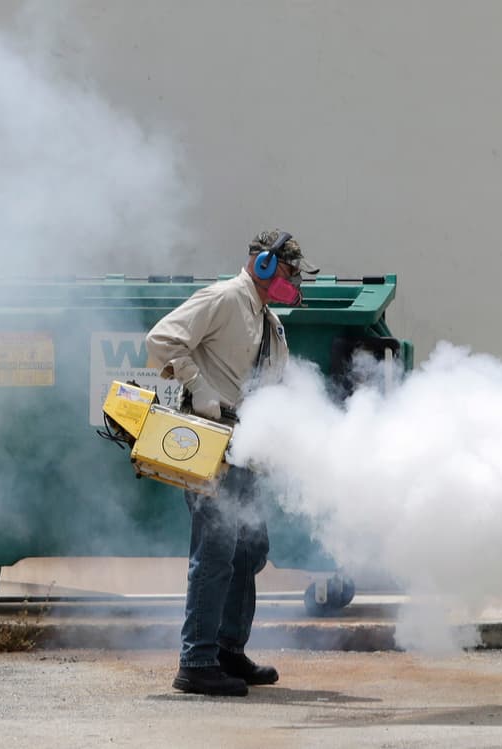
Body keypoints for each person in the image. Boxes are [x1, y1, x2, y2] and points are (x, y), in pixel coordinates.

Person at [146, 229, 318, 697]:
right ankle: (196, 661)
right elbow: (162, 340)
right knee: (216, 552)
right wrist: (199, 387)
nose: (293, 281)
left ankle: (227, 650)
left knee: (249, 550)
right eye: (289, 270)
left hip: (246, 450)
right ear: (264, 264)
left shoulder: (269, 321)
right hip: (212, 445)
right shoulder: (223, 298)